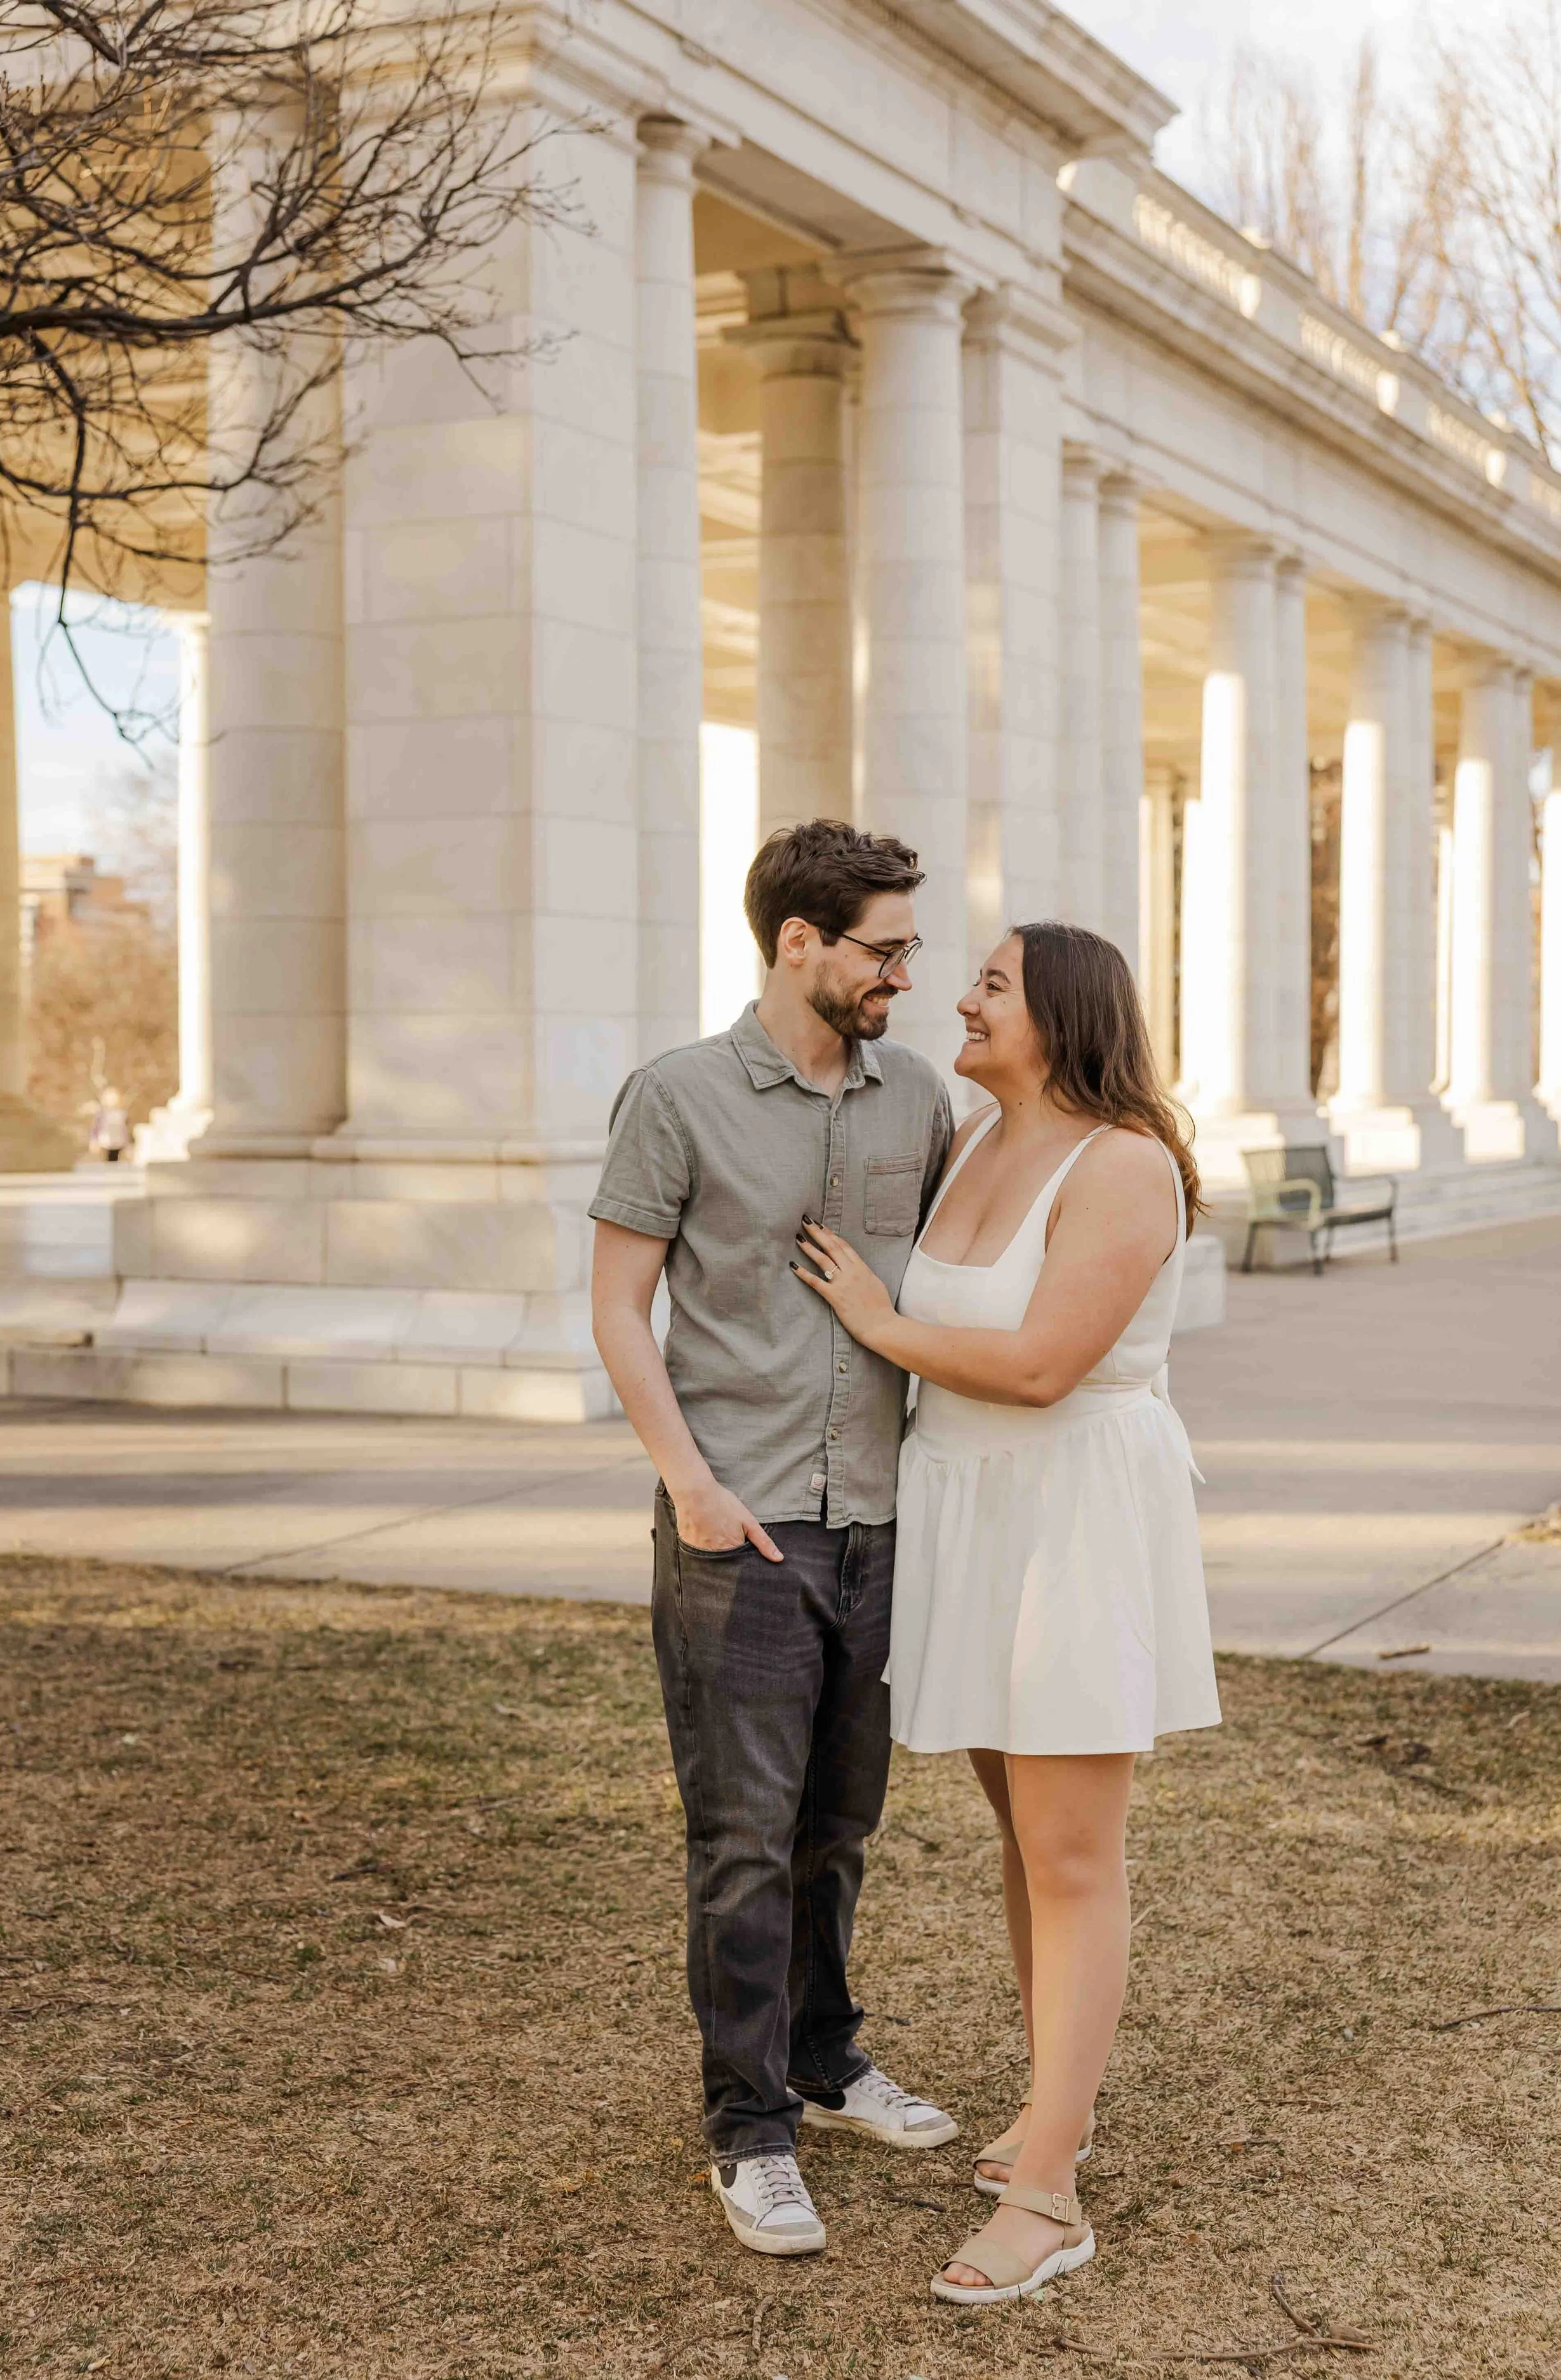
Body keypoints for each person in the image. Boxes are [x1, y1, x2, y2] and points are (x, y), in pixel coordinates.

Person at [789, 920, 1221, 2304]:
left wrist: (869, 1315)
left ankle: (1047, 2197)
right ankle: (1056, 2112)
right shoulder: (974, 1140)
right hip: (967, 1509)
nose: (958, 1002)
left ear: (1064, 1017)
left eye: (989, 985)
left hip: (1072, 1517)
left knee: (1072, 1852)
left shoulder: (1125, 1166)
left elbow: (1038, 1368)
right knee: (1020, 1838)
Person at [590, 820, 959, 2259]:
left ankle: (822, 2054)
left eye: (911, 950)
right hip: (735, 1525)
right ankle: (748, 2130)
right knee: (741, 1839)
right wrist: (685, 1481)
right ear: (797, 943)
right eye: (884, 949)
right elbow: (621, 1307)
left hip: (878, 1517)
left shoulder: (913, 1095)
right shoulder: (675, 1097)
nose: (903, 975)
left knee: (839, 1824)